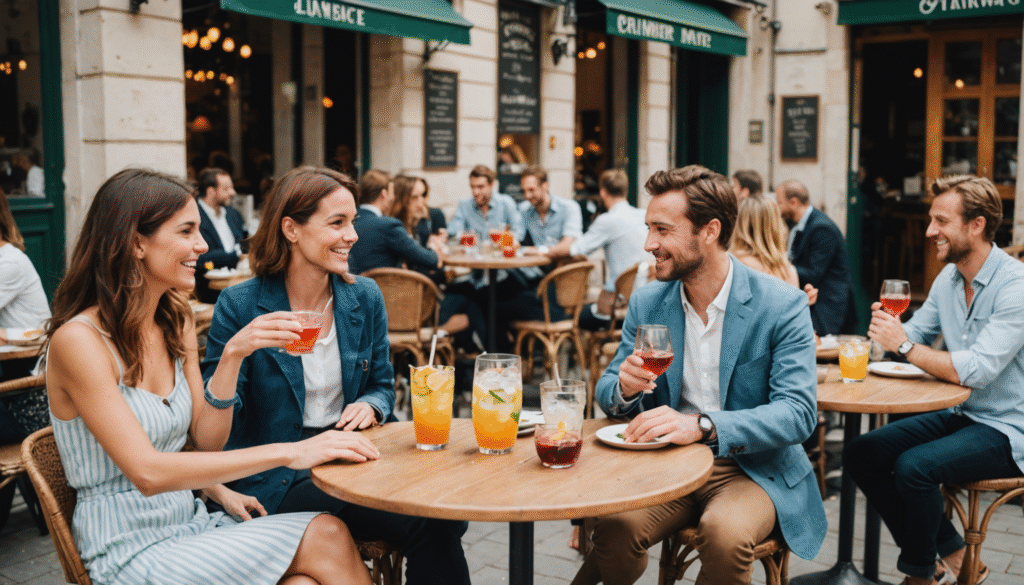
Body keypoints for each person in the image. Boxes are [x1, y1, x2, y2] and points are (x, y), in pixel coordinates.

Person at [43, 168, 375, 585]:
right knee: (327, 534)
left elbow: (204, 441)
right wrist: (291, 451)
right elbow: (147, 473)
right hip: (128, 545)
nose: (202, 245)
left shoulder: (174, 320)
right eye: (186, 231)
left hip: (190, 520)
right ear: (136, 242)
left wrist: (233, 356)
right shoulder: (79, 341)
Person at [201, 166, 472, 585]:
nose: (353, 235)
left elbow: (382, 385)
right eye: (337, 223)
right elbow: (216, 428)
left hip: (351, 458)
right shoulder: (240, 305)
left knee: (440, 516)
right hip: (279, 477)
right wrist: (236, 353)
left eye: (353, 222)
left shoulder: (362, 296)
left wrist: (372, 405)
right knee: (432, 521)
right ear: (291, 229)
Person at [572, 165, 826, 585]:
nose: (649, 243)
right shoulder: (649, 301)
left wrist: (702, 425)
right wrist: (625, 386)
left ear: (709, 231)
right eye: (648, 228)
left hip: (752, 467)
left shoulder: (781, 305)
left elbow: (798, 414)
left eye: (663, 230)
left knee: (723, 536)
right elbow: (607, 390)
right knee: (615, 527)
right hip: (668, 462)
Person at [846, 175, 1024, 585]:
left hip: (1007, 426)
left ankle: (920, 574)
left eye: (941, 221)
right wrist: (891, 330)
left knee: (915, 467)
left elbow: (978, 370)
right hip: (961, 413)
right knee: (862, 453)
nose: (929, 231)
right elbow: (915, 337)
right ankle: (956, 555)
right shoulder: (948, 279)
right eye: (931, 219)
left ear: (976, 225)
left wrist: (904, 346)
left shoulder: (1014, 285)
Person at [539, 169, 648, 331]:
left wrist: (541, 250)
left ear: (603, 193)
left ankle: (588, 354)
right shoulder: (643, 215)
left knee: (577, 316)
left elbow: (574, 249)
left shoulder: (608, 220)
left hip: (618, 307)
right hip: (646, 301)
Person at [776, 179, 855, 335]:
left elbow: (813, 274)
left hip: (827, 306)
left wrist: (778, 266)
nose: (777, 208)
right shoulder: (797, 224)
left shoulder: (822, 228)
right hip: (812, 299)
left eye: (779, 203)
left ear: (793, 202)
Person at [347, 170, 442, 276]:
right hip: (382, 290)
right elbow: (431, 260)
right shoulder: (387, 225)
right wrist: (433, 246)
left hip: (347, 288)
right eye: (392, 193)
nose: (393, 198)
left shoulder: (349, 221)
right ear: (384, 194)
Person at [730, 194, 818, 307]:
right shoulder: (787, 269)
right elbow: (790, 315)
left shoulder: (735, 264)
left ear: (741, 224)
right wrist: (802, 302)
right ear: (776, 225)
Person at [195, 167, 249, 303]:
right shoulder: (194, 216)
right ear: (210, 191)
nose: (232, 192)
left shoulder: (232, 214)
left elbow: (242, 242)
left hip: (239, 282)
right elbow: (202, 262)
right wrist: (233, 256)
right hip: (209, 290)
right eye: (226, 189)